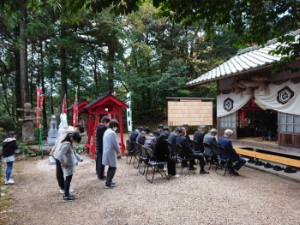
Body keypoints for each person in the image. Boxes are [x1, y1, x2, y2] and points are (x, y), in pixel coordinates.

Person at [50, 124, 84, 194]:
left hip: (58, 151)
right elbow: (64, 150)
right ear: (77, 128)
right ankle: (63, 188)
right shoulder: (70, 133)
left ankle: (64, 187)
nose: (78, 133)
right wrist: (64, 162)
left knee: (60, 171)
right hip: (61, 154)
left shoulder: (67, 131)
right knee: (61, 172)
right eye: (79, 131)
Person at [56, 132, 82, 202]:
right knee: (68, 180)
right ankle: (66, 196)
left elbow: (73, 153)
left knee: (68, 180)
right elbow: (60, 155)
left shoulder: (70, 143)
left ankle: (67, 194)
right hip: (68, 165)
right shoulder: (67, 144)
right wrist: (63, 163)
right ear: (72, 138)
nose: (76, 141)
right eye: (76, 140)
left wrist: (79, 158)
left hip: (70, 164)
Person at [102, 119, 121, 189]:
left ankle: (108, 181)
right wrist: (118, 149)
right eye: (116, 126)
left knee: (111, 167)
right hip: (111, 151)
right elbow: (115, 143)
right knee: (113, 167)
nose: (116, 128)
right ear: (113, 126)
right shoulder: (112, 133)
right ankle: (108, 183)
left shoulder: (107, 131)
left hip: (107, 150)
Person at [96, 116, 111, 181]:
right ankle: (100, 175)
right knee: (102, 161)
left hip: (99, 145)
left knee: (99, 159)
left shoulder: (99, 127)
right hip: (102, 146)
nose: (108, 124)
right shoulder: (103, 128)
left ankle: (99, 172)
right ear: (105, 121)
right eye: (107, 122)